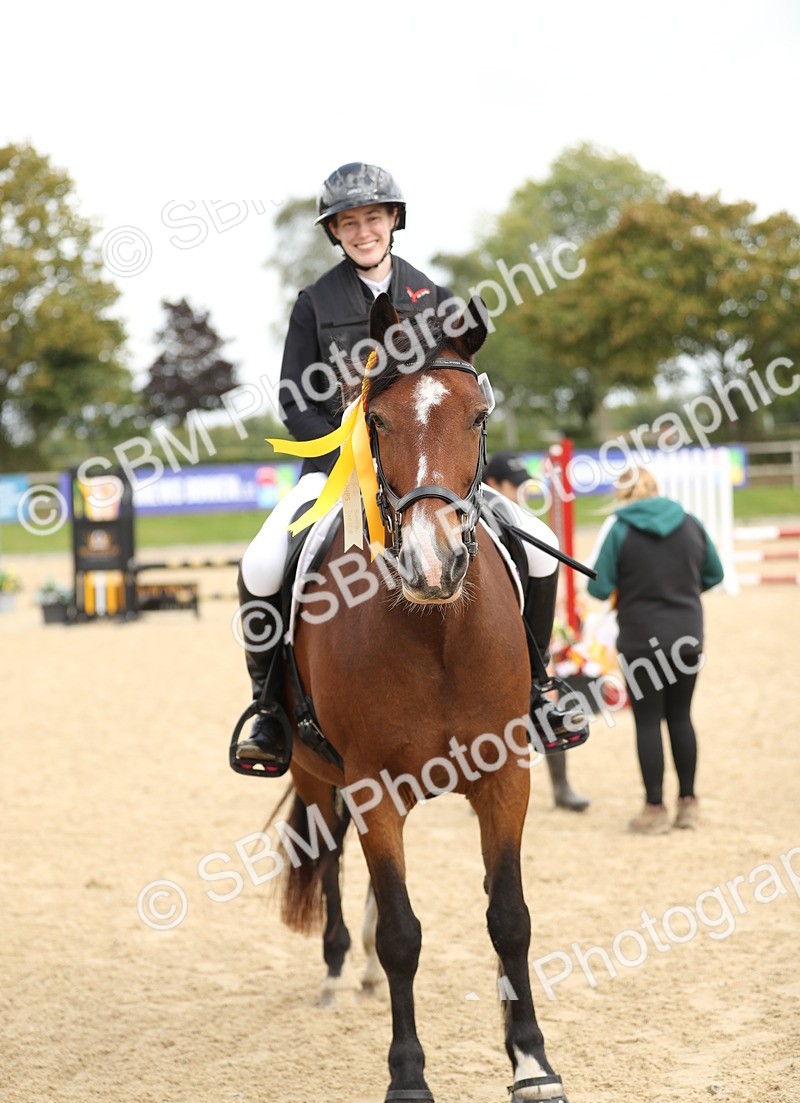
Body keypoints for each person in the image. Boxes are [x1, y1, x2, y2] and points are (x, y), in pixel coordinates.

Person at [233, 162, 583, 770]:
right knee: (261, 562)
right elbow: (294, 397)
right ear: (335, 233)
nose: (362, 231)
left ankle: (536, 690)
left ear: (393, 220)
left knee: (539, 541)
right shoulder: (315, 303)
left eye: (372, 218)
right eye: (348, 223)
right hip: (334, 471)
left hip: (432, 475)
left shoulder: (437, 300)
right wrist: (342, 455)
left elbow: (458, 394)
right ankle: (268, 710)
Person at [585, 466, 724, 833]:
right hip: (687, 635)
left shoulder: (619, 529)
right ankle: (689, 803)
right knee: (681, 716)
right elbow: (715, 575)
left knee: (648, 721)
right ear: (656, 488)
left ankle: (654, 809)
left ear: (622, 494)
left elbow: (598, 589)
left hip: (641, 639)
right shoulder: (690, 522)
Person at [483, 451, 590, 813]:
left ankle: (538, 688)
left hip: (531, 628)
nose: (522, 493)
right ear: (494, 485)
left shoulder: (513, 518)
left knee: (546, 687)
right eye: (515, 486)